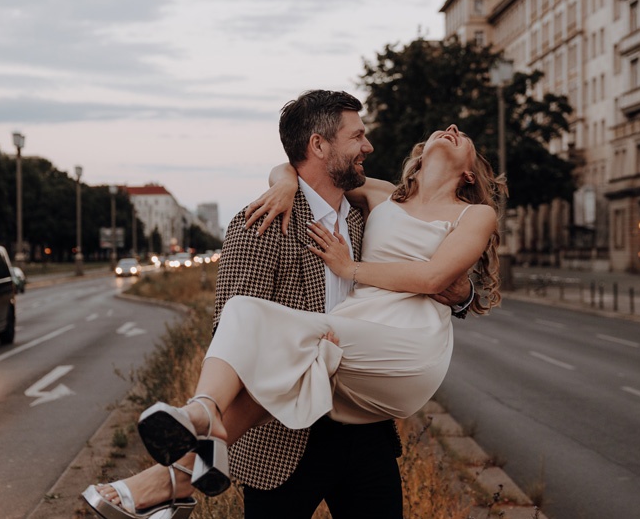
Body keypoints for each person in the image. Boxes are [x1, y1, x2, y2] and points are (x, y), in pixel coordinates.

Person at [83, 90, 500, 519]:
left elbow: (434, 279)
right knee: (245, 315)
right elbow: (232, 337)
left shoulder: (365, 218)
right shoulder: (261, 222)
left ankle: (180, 470)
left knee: (318, 341)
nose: (368, 148)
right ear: (319, 146)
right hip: (281, 439)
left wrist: (460, 293)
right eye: (358, 137)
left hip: (364, 429)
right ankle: (201, 416)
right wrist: (284, 181)